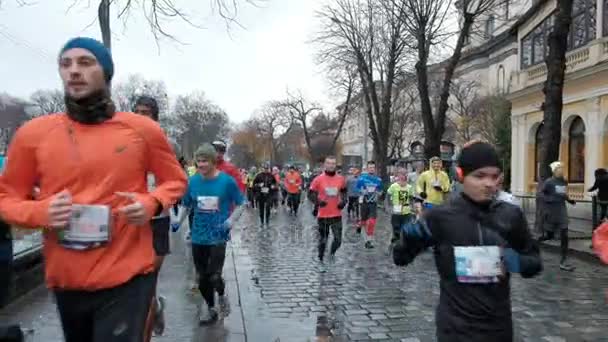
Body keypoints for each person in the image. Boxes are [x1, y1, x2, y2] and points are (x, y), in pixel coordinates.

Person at [0, 37, 187, 342]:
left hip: (128, 276)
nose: (74, 71)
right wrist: (40, 212)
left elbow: (176, 181)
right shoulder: (33, 134)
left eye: (85, 63)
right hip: (68, 280)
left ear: (106, 73)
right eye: (66, 64)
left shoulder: (142, 129)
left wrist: (152, 203)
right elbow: (5, 198)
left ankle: (148, 306)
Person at [393, 141, 542, 342]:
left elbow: (535, 262)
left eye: (494, 176)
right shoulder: (440, 217)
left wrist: (517, 261)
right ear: (461, 175)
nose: (489, 183)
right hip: (455, 329)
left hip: (498, 329)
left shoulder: (511, 215)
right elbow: (400, 258)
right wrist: (408, 238)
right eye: (480, 176)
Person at [172, 144, 245, 324]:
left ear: (213, 161)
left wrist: (229, 222)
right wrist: (177, 221)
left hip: (218, 235)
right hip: (198, 235)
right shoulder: (193, 181)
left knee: (214, 275)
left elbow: (242, 203)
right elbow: (187, 204)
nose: (201, 165)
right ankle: (211, 308)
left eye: (205, 161)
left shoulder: (226, 182)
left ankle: (221, 292)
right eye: (198, 161)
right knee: (202, 276)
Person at [133, 95, 173, 339]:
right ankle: (155, 308)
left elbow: (175, 180)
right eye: (137, 111)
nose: (140, 115)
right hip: (130, 221)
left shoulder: (162, 143)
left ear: (154, 116)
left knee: (146, 284)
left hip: (157, 220)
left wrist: (159, 200)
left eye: (146, 112)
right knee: (136, 288)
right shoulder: (120, 141)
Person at [538, 161, 576, 272]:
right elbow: (541, 194)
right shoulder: (549, 182)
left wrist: (569, 200)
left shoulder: (564, 181)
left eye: (562, 169)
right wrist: (549, 200)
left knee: (565, 234)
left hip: (562, 211)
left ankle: (563, 261)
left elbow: (563, 194)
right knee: (549, 236)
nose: (561, 171)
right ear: (554, 171)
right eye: (559, 169)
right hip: (551, 211)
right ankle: (536, 243)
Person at [310, 156, 346, 270]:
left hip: (336, 214)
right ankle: (320, 258)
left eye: (333, 163)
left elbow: (344, 192)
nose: (331, 165)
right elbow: (310, 193)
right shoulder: (318, 179)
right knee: (323, 240)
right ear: (325, 165)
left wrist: (343, 202)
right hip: (323, 215)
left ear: (335, 165)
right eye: (329, 163)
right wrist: (318, 202)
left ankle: (332, 252)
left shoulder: (340, 179)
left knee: (338, 240)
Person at [356, 161, 383, 249]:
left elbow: (381, 190)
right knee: (363, 221)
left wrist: (378, 193)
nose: (371, 169)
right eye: (370, 167)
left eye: (373, 167)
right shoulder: (362, 179)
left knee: (372, 222)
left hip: (373, 203)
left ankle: (368, 241)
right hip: (364, 202)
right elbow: (356, 189)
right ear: (367, 169)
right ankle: (359, 225)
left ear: (375, 169)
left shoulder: (378, 180)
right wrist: (362, 191)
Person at [386, 168, 414, 247]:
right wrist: (389, 206)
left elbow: (411, 198)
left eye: (404, 174)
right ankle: (394, 242)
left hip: (407, 211)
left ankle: (403, 245)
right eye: (401, 174)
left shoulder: (409, 187)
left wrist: (412, 206)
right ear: (398, 175)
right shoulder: (394, 186)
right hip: (396, 211)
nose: (403, 176)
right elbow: (388, 195)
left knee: (406, 229)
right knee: (396, 229)